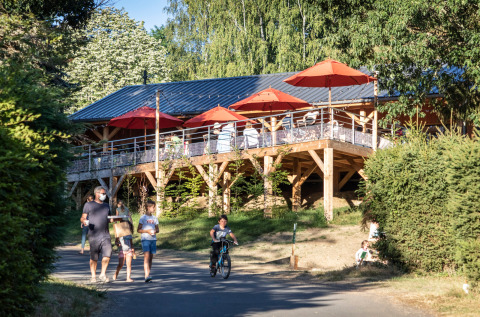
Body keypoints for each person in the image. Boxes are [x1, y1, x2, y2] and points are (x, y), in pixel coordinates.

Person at [80, 186, 118, 283]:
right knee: (94, 257)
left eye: (104, 194)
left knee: (107, 255)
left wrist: (118, 218)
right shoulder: (89, 205)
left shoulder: (106, 206)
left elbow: (109, 219)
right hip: (93, 234)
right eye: (103, 193)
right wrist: (84, 221)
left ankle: (102, 274)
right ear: (97, 194)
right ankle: (93, 276)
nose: (104, 195)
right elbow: (83, 217)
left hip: (105, 235)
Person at [138, 200, 159, 282]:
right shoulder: (143, 218)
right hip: (145, 239)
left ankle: (149, 274)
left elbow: (158, 229)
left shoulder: (155, 218)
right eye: (153, 207)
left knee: (150, 258)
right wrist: (147, 231)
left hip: (153, 239)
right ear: (148, 207)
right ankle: (146, 275)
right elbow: (138, 230)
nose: (154, 209)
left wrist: (154, 231)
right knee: (146, 257)